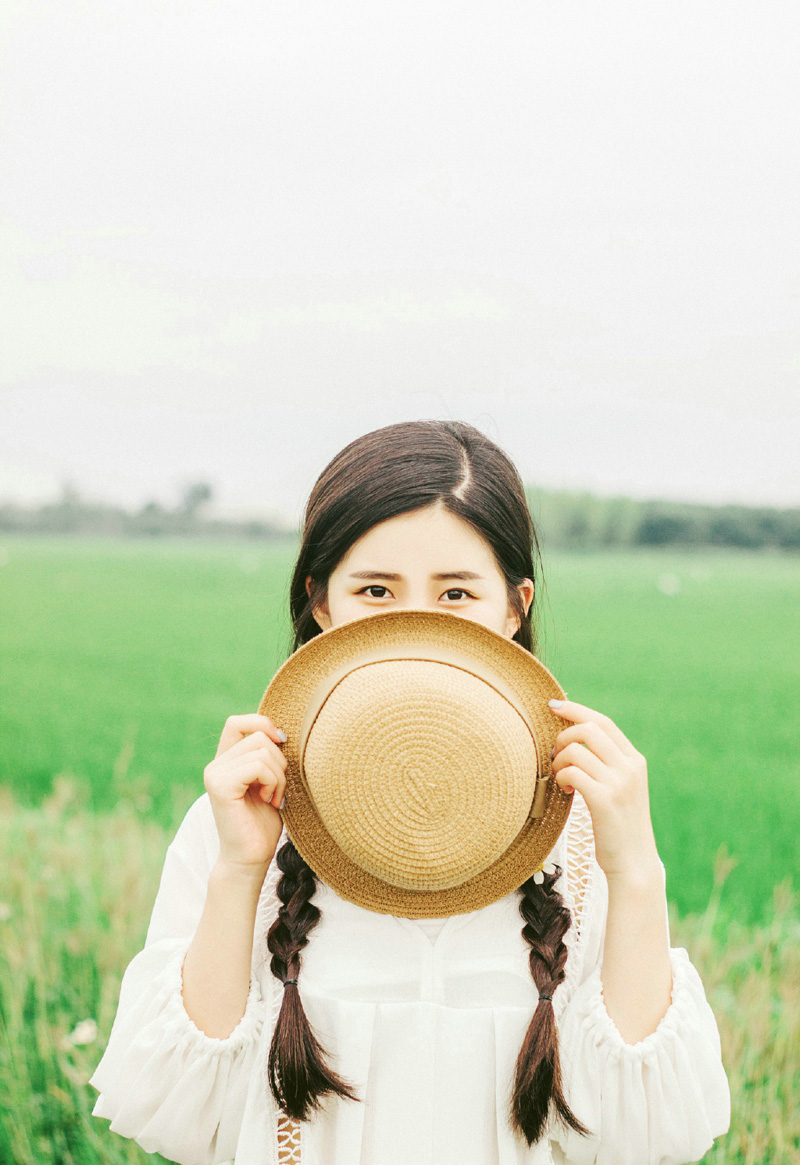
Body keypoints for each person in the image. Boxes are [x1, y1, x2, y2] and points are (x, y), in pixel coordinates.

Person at [90, 419, 731, 1165]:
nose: (417, 618)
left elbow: (646, 1137)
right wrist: (239, 870)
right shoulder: (239, 819)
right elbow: (183, 1120)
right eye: (375, 589)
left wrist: (637, 870)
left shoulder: (589, 839)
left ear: (514, 607)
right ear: (321, 601)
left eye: (456, 590)